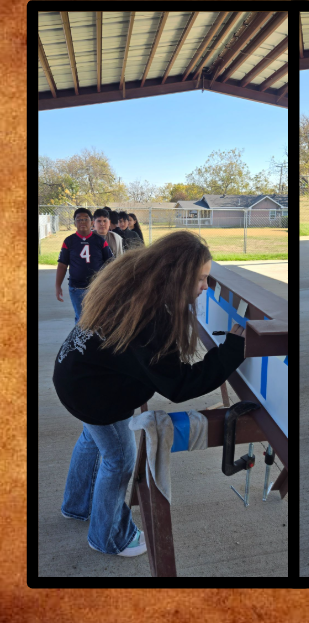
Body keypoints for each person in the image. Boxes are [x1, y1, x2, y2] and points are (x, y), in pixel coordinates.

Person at [52, 230, 247, 558]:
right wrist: (231, 351)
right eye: (200, 279)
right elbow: (180, 385)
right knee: (119, 457)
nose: (205, 287)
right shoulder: (151, 318)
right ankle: (107, 536)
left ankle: (77, 506)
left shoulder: (135, 278)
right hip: (91, 393)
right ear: (177, 275)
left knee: (92, 438)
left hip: (72, 374)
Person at [55, 208, 114, 323]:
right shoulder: (69, 241)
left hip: (96, 287)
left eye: (85, 219)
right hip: (76, 288)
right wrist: (58, 286)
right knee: (81, 319)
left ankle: (95, 340)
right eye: (79, 220)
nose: (82, 222)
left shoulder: (100, 241)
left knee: (98, 317)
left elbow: (111, 262)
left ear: (91, 222)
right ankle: (81, 340)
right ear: (74, 223)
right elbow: (62, 265)